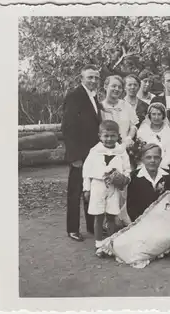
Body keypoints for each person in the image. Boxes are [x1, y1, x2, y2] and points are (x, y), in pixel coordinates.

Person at [61, 64, 103, 242]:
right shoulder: (74, 96)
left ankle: (91, 226)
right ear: (82, 79)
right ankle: (72, 229)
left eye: (95, 78)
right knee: (75, 191)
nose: (93, 81)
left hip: (92, 153)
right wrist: (74, 156)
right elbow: (68, 128)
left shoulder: (94, 97)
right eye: (90, 77)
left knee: (91, 190)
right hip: (79, 154)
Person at [82, 120, 131, 256]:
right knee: (98, 216)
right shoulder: (95, 151)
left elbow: (127, 169)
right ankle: (99, 244)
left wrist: (125, 178)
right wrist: (86, 189)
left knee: (111, 215)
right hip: (98, 186)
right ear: (100, 136)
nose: (109, 139)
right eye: (106, 136)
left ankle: (111, 243)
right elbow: (86, 172)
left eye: (112, 136)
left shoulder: (121, 151)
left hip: (114, 187)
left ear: (118, 136)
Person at [126, 143, 170, 222]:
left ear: (160, 159)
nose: (152, 160)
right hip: (142, 221)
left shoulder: (168, 176)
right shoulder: (134, 177)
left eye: (156, 157)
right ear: (142, 159)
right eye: (148, 157)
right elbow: (131, 206)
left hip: (165, 220)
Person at [136, 102, 170, 170]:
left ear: (163, 116)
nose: (156, 117)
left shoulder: (167, 131)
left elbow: (168, 152)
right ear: (149, 115)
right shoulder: (143, 130)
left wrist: (161, 166)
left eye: (159, 114)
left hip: (163, 165)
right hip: (145, 165)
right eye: (153, 114)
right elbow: (140, 151)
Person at [100, 75, 138, 148]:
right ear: (105, 86)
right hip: (106, 147)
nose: (117, 89)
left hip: (125, 147)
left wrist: (129, 138)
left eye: (120, 87)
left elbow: (133, 126)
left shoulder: (126, 105)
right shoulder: (100, 107)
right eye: (114, 86)